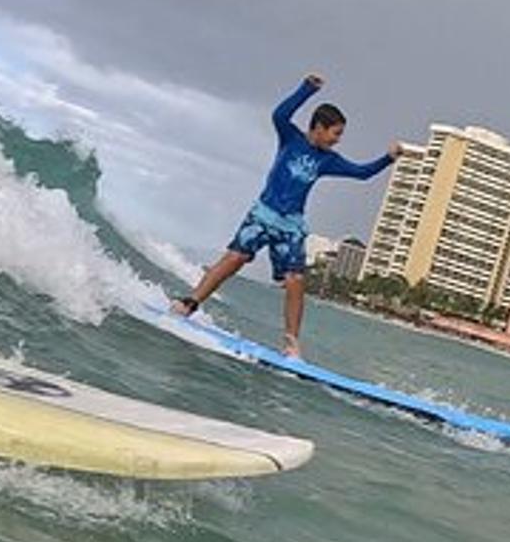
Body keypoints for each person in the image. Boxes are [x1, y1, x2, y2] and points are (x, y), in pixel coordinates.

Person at [174, 73, 415, 356]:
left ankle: (291, 342)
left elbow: (361, 174)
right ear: (319, 128)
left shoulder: (328, 160)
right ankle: (189, 303)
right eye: (335, 133)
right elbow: (279, 114)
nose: (338, 140)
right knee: (234, 258)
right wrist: (307, 89)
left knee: (296, 281)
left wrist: (388, 158)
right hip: (263, 214)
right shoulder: (290, 139)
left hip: (291, 227)